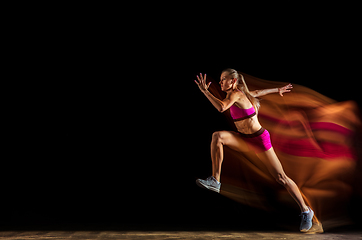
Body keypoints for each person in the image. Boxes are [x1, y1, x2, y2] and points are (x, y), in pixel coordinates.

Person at [194, 68, 314, 232]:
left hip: (259, 140)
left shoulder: (235, 94)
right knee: (218, 137)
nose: (220, 82)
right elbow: (257, 92)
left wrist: (205, 92)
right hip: (244, 138)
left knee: (281, 177)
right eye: (220, 79)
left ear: (233, 81)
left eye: (223, 79)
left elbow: (222, 108)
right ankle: (216, 180)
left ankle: (306, 210)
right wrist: (276, 90)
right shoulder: (242, 93)